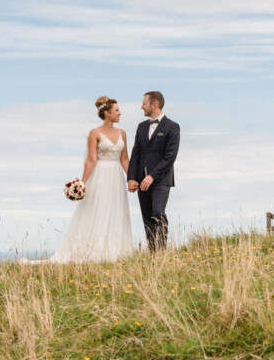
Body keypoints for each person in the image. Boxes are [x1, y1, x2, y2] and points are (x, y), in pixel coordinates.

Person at [50, 97, 134, 263]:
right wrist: (81, 183)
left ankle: (115, 249)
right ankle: (95, 249)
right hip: (100, 175)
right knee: (99, 209)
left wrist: (131, 178)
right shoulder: (95, 133)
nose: (120, 113)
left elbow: (124, 158)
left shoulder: (122, 133)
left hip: (116, 176)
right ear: (107, 113)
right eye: (116, 110)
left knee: (116, 209)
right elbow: (91, 159)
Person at [127, 91, 180, 251]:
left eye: (144, 103)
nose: (141, 106)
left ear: (154, 105)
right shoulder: (141, 127)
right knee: (147, 217)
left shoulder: (172, 127)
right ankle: (153, 253)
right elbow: (136, 153)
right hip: (141, 180)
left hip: (161, 180)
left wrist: (152, 176)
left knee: (158, 212)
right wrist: (131, 178)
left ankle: (162, 251)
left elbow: (170, 157)